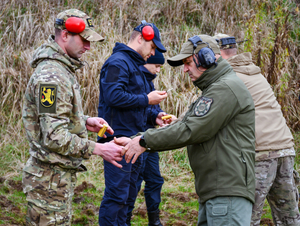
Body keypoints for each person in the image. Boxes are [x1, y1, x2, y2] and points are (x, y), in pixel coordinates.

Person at [117, 34, 256, 226]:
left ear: (207, 58)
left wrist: (143, 142)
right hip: (217, 191)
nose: (185, 70)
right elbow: (185, 125)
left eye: (188, 62)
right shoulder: (216, 88)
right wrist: (136, 138)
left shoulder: (224, 89)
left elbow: (191, 130)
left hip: (226, 192)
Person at [21, 9, 125, 225]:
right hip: (48, 181)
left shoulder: (61, 69)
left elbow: (53, 118)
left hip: (54, 179)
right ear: (65, 35)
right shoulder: (52, 76)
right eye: (84, 39)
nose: (88, 47)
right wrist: (98, 148)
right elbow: (53, 136)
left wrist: (85, 122)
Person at [213, 33, 300, 226]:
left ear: (216, 54)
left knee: (244, 218)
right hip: (285, 148)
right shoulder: (254, 72)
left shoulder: (228, 77)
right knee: (289, 219)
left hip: (261, 155)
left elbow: (213, 117)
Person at [97, 21, 168, 225]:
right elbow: (113, 96)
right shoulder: (118, 62)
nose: (152, 53)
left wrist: (154, 116)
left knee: (127, 198)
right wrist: (148, 100)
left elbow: (133, 105)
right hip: (118, 142)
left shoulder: (133, 66)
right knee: (116, 197)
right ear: (141, 38)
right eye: (152, 47)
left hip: (134, 142)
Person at [126, 49, 177, 226]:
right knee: (134, 182)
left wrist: (160, 115)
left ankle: (154, 220)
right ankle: (125, 218)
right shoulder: (132, 78)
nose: (158, 70)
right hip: (135, 139)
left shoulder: (149, 82)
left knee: (155, 180)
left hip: (149, 139)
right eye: (156, 65)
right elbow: (133, 106)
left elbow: (149, 109)